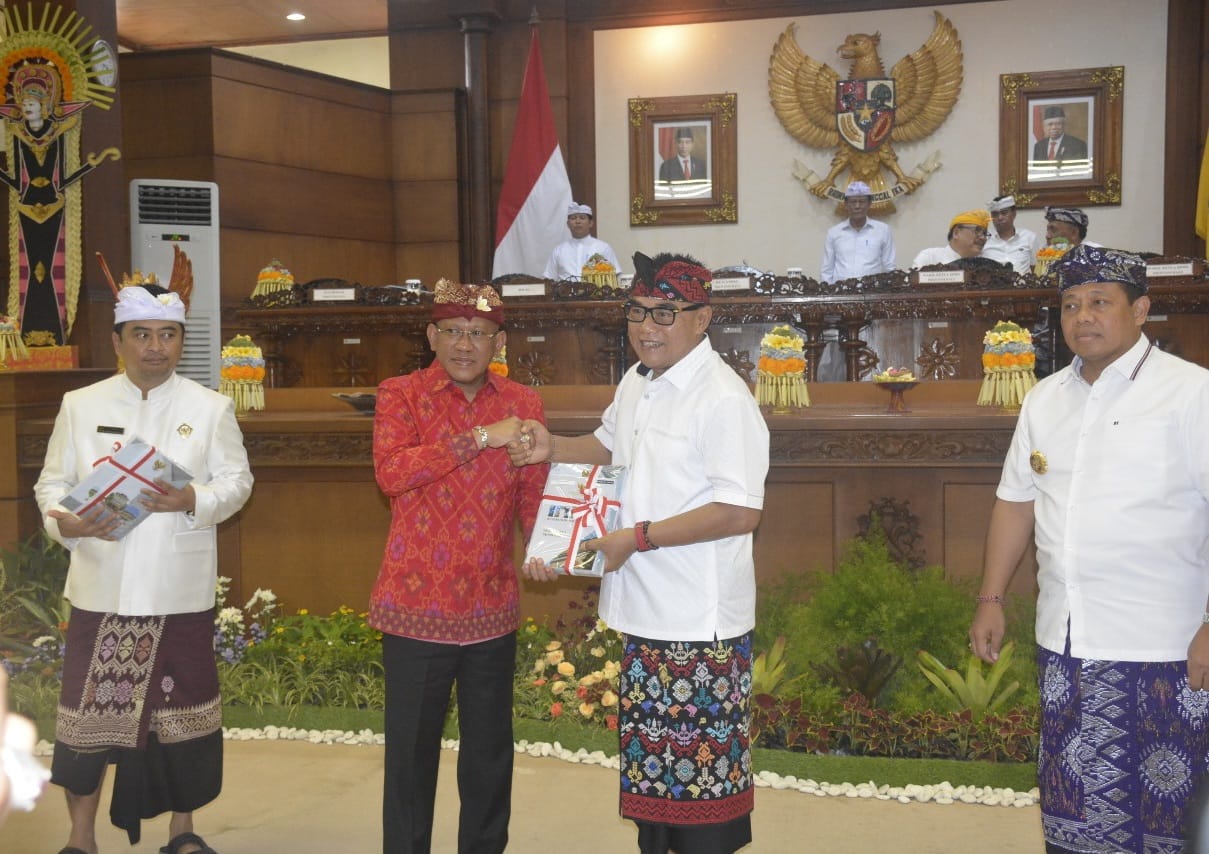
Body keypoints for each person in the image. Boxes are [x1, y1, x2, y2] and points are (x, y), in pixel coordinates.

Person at [509, 252, 770, 854]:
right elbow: (608, 446)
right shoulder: (638, 380)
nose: (647, 327)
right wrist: (552, 447)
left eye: (664, 313)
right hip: (643, 616)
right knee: (655, 799)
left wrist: (637, 538)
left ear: (702, 318)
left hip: (698, 627)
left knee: (703, 804)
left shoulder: (722, 398)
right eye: (637, 311)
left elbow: (740, 511)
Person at [968, 244, 1209, 854]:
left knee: (1170, 824)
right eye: (1071, 305)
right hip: (1068, 643)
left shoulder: (1191, 393)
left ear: (1141, 310)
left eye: (1100, 302)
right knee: (1071, 818)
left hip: (1165, 647)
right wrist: (991, 598)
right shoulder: (1045, 397)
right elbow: (1016, 501)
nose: (1083, 317)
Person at [33, 284, 254, 854]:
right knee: (86, 724)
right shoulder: (81, 404)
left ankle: (183, 832)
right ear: (118, 342)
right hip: (100, 587)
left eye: (168, 335)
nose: (156, 347)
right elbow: (51, 483)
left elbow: (237, 483)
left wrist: (193, 499)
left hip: (177, 592)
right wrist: (66, 523)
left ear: (181, 341)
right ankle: (81, 838)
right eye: (142, 335)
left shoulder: (210, 407)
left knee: (182, 720)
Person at [369, 280, 548, 854]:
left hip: (490, 608)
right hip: (414, 609)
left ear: (500, 341)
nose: (465, 345)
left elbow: (534, 489)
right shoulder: (400, 394)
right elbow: (392, 473)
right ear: (431, 336)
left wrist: (543, 545)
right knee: (410, 757)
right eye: (452, 331)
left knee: (490, 755)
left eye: (478, 333)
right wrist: (479, 437)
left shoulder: (523, 403)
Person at [0, 63, 118, 345]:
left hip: (55, 210)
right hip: (25, 211)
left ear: (44, 106)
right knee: (30, 272)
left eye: (31, 104)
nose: (26, 108)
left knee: (52, 270)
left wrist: (92, 164)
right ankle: (25, 335)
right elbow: (17, 180)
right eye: (23, 104)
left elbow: (63, 179)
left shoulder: (58, 133)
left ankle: (55, 332)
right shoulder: (18, 135)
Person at [820, 180, 896, 283]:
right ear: (846, 204)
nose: (857, 206)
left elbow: (889, 267)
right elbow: (827, 270)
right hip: (841, 291)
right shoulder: (834, 233)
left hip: (872, 291)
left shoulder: (883, 230)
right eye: (853, 202)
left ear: (869, 204)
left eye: (862, 202)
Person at [543, 202, 622, 281]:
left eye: (582, 218)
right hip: (565, 289)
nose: (578, 221)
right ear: (568, 224)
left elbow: (616, 276)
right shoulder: (559, 250)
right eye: (573, 218)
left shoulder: (603, 248)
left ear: (590, 223)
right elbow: (549, 279)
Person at [910, 209, 991, 268]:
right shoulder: (930, 257)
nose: (983, 238)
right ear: (956, 233)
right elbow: (911, 285)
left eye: (984, 233)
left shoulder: (987, 263)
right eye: (977, 231)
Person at [981, 195, 1039, 274]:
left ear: (1014, 214)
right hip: (992, 282)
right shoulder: (983, 239)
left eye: (1004, 213)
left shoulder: (1029, 237)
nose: (1000, 217)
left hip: (1023, 282)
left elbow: (1036, 269)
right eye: (995, 214)